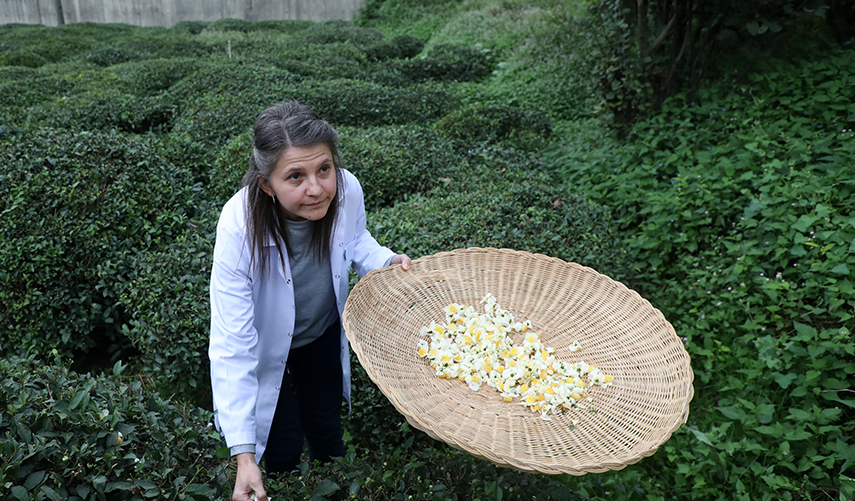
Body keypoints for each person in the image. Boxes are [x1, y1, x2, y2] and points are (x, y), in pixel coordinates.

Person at [209, 101, 411, 501]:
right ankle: (281, 484)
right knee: (281, 442)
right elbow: (232, 345)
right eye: (295, 177)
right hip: (269, 348)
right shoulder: (238, 227)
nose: (316, 188)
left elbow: (356, 240)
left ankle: (331, 488)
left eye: (324, 169)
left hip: (321, 331)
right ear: (267, 184)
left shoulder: (347, 189)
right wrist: (243, 455)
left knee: (326, 428)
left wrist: (385, 261)